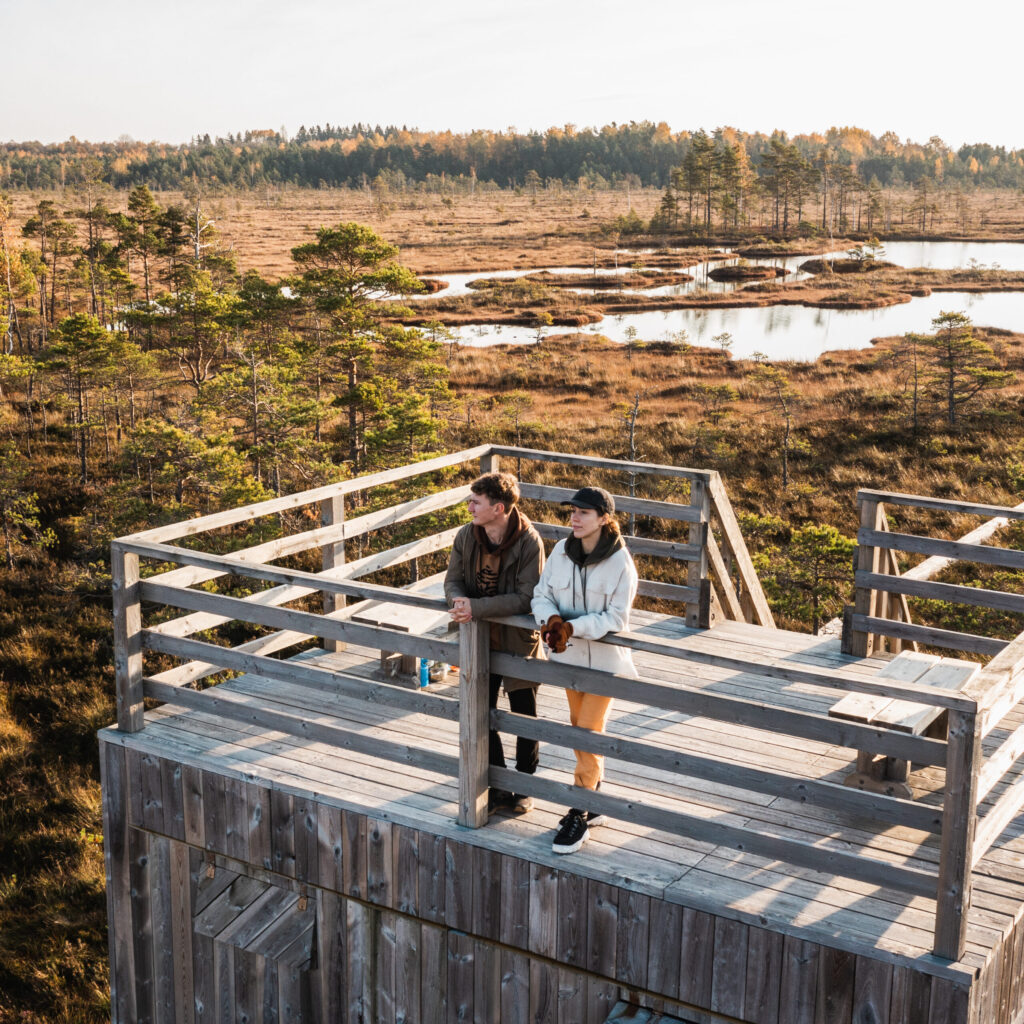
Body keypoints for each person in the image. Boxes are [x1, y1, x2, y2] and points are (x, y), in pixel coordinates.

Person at [531, 485, 638, 854]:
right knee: (580, 728)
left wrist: (573, 627)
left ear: (604, 518)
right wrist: (552, 621)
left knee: (587, 733)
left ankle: (578, 812)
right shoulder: (561, 551)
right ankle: (595, 800)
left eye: (583, 513)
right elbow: (541, 595)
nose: (574, 518)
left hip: (604, 664)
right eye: (572, 511)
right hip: (567, 659)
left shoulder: (621, 562)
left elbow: (616, 618)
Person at [445, 471, 545, 813]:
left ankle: (525, 786)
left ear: (498, 508)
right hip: (480, 640)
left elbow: (526, 598)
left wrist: (476, 608)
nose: (469, 507)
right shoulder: (466, 535)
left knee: (524, 715)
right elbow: (453, 580)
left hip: (518, 641)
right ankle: (499, 785)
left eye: (476, 502)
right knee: (480, 712)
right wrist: (459, 602)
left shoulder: (529, 542)